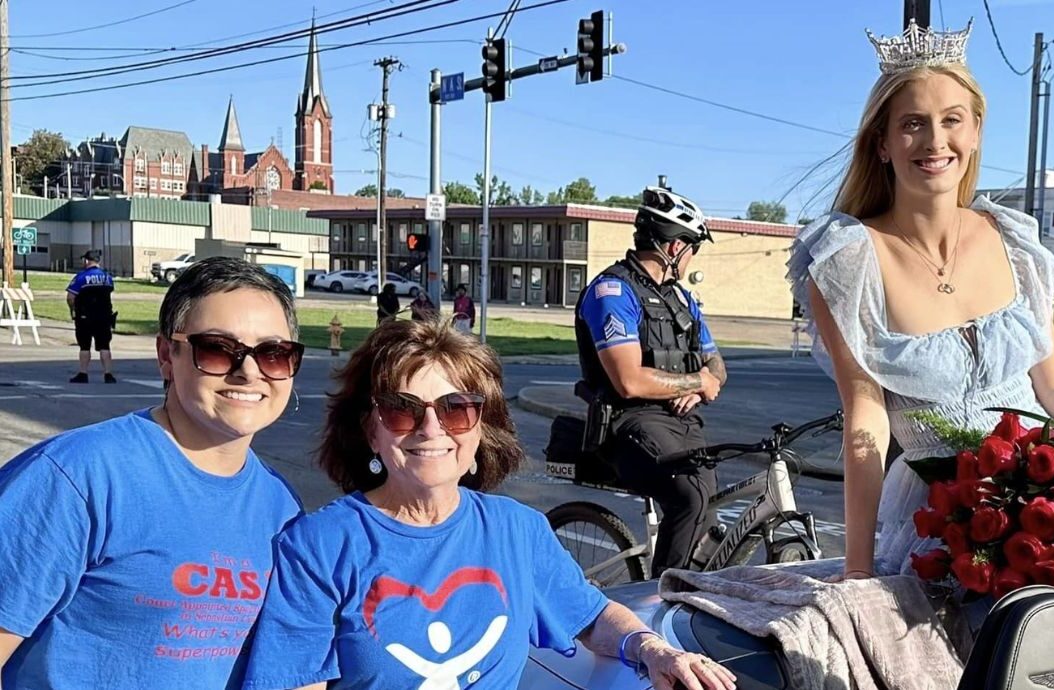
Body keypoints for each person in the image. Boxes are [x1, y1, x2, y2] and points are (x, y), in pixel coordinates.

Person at [788, 19, 1054, 687]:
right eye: (913, 124)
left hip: (1051, 494)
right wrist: (856, 575)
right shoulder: (847, 260)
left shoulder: (1014, 243)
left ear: (975, 132)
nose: (935, 140)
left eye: (952, 120)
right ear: (884, 143)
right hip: (943, 516)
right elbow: (865, 422)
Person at [241, 320, 736, 690]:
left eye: (456, 409)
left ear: (482, 427)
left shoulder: (516, 531)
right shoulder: (319, 547)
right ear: (369, 430)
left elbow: (590, 616)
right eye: (401, 410)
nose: (430, 429)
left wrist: (654, 650)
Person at [0, 256, 305, 688]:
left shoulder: (281, 505)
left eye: (274, 353)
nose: (248, 372)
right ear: (167, 355)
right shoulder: (80, 476)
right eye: (218, 349)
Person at [574, 186, 727, 577]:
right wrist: (695, 381)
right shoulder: (613, 292)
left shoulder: (683, 301)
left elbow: (717, 367)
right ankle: (658, 604)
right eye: (693, 247)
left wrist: (701, 382)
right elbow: (628, 381)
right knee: (689, 496)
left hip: (680, 423)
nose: (693, 256)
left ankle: (694, 592)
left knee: (709, 503)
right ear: (676, 248)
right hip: (629, 424)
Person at [66, 249, 117, 383]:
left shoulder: (81, 277)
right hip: (104, 317)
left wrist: (72, 309)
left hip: (85, 317)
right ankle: (108, 374)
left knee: (84, 346)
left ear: (87, 261)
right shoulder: (107, 277)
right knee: (105, 346)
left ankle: (83, 373)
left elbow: (71, 297)